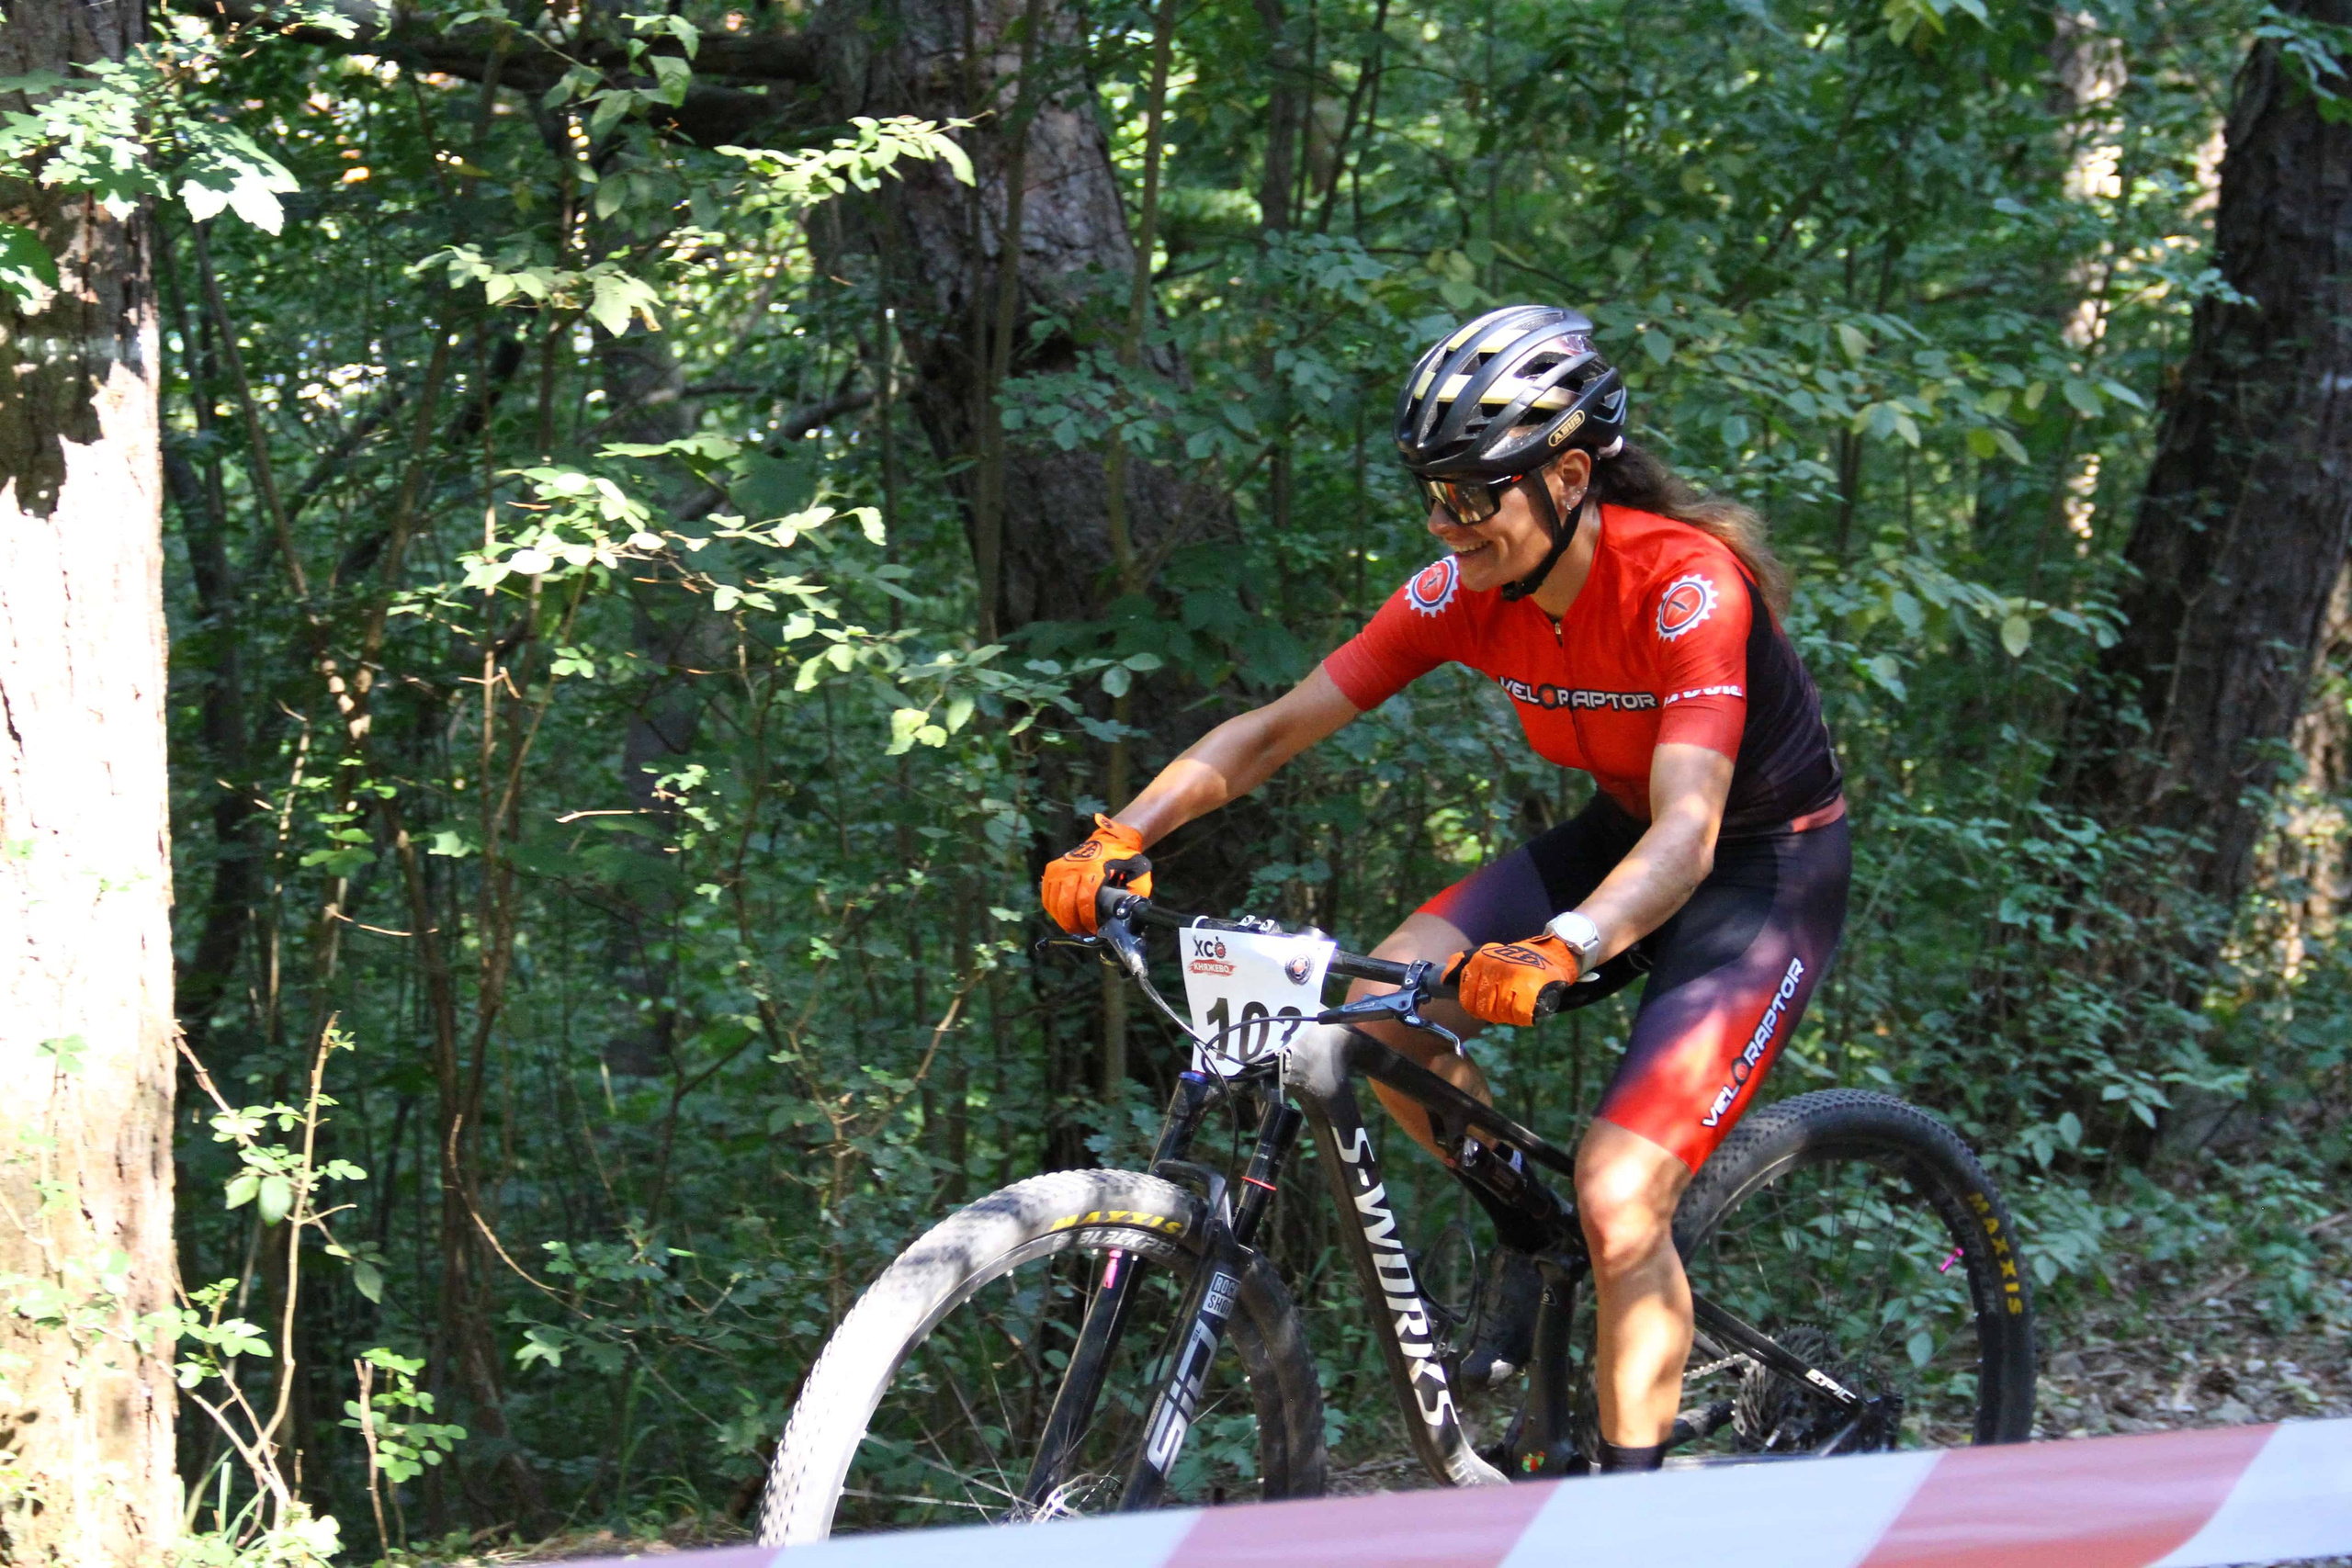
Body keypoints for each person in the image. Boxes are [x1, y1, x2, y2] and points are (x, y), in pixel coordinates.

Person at [1038, 304, 1849, 1473]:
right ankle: (1527, 1223)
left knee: (1623, 1197)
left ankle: (1632, 1525)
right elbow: (1275, 730)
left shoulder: (1683, 588)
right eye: (1430, 492)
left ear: (1568, 477)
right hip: (1611, 842)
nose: (1444, 522)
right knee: (1371, 1018)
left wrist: (1563, 944)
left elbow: (1689, 831)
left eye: (1472, 496)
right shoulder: (1459, 592)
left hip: (1761, 867)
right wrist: (1125, 830)